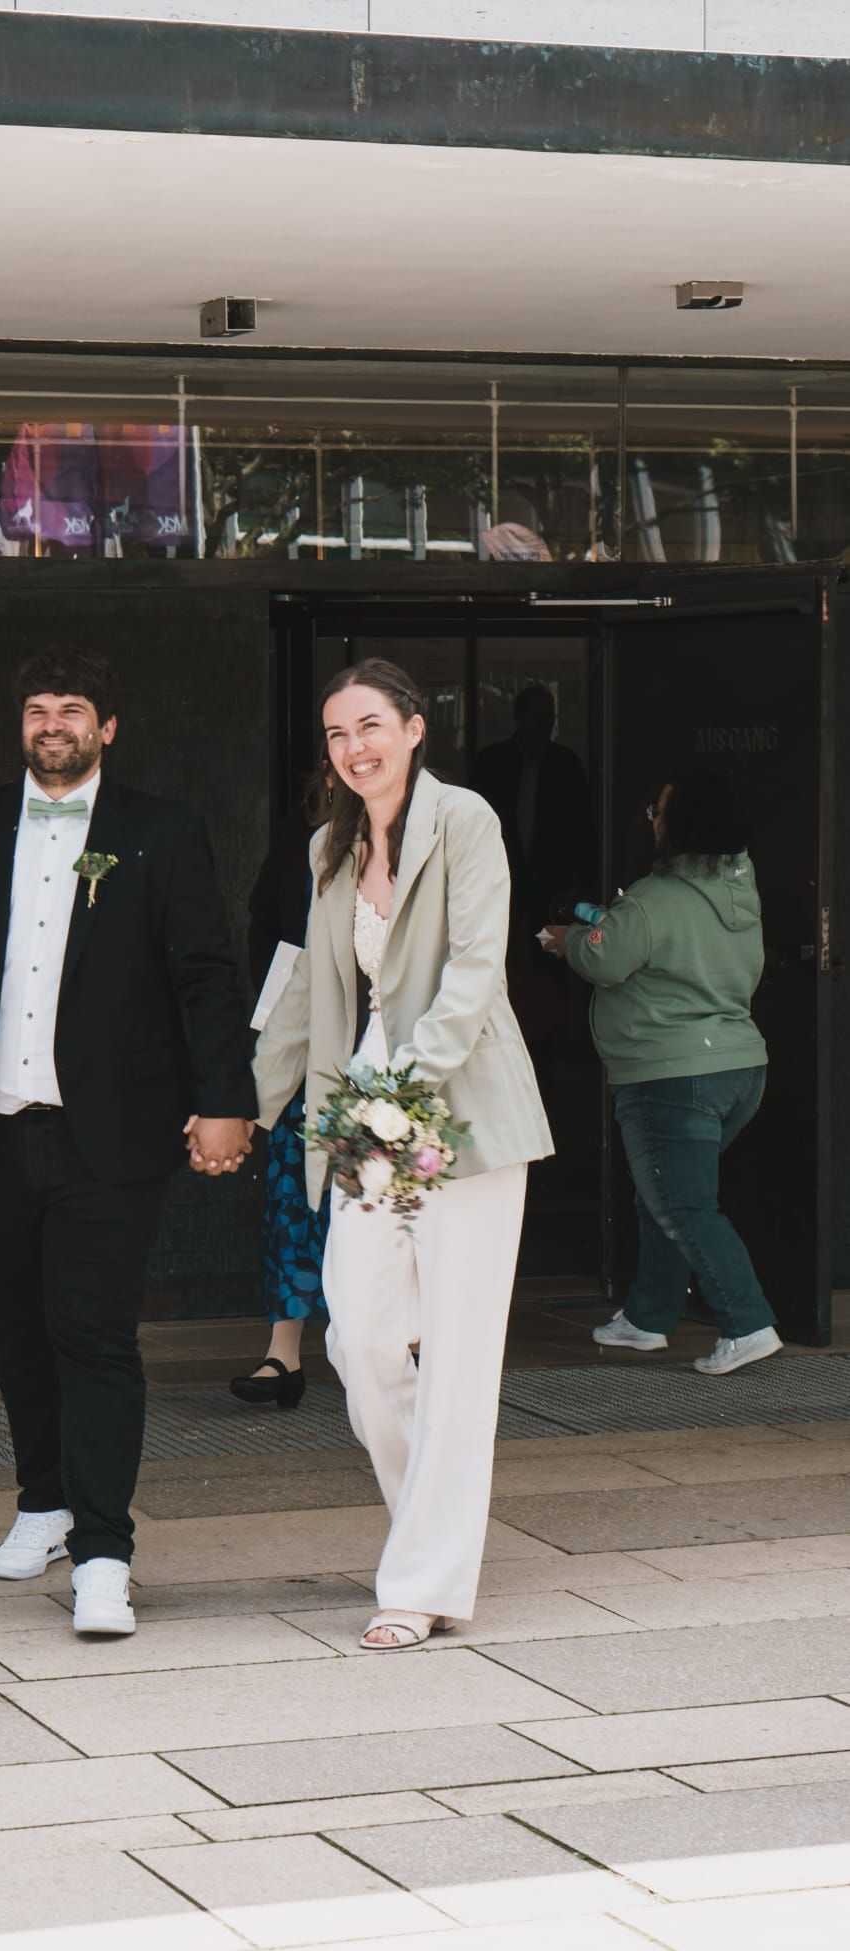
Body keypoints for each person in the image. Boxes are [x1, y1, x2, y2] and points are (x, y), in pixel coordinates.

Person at [0, 647, 256, 1637]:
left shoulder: (161, 831)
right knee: (16, 1334)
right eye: (38, 710)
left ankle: (103, 1554)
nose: (54, 725)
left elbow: (206, 975)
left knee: (93, 1336)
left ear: (107, 727)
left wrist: (227, 1097)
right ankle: (43, 1502)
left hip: (110, 1133)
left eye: (73, 709)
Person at [254, 659, 553, 1651]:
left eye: (370, 725)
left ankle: (420, 1578)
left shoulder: (464, 819)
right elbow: (306, 987)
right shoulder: (328, 848)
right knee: (359, 1338)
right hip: (363, 1102)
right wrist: (243, 1105)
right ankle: (435, 1526)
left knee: (460, 1353)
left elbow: (475, 969)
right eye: (337, 733)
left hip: (459, 1102)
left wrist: (404, 1089)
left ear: (415, 728)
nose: (354, 747)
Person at [543, 769, 779, 1375]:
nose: (652, 820)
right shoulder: (740, 891)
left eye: (659, 811)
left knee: (682, 1203)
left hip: (671, 1074)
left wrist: (569, 941)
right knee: (664, 1192)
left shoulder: (655, 897)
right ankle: (648, 1317)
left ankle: (748, 1323)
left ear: (683, 824)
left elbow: (606, 959)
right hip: (739, 1068)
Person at [229, 769, 333, 1410]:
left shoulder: (430, 830)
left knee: (388, 1202)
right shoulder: (304, 838)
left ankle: (406, 1346)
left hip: (392, 1055)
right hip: (307, 1045)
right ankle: (283, 1353)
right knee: (293, 1196)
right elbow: (267, 927)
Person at [472, 683, 596, 1088]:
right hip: (499, 890)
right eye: (539, 718)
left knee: (548, 972)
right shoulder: (493, 764)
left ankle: (541, 1061)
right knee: (497, 966)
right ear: (520, 719)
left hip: (551, 894)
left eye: (550, 719)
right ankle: (498, 1058)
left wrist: (581, 890)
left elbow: (583, 833)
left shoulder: (564, 765)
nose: (546, 727)